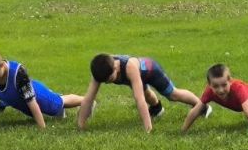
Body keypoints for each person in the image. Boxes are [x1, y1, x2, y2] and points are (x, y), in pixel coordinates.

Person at [77, 53, 209, 131]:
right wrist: (81, 126)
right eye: (104, 81)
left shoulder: (128, 67)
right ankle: (157, 109)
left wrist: (148, 129)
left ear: (115, 68)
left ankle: (202, 106)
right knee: (147, 94)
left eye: (110, 79)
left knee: (173, 95)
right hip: (135, 78)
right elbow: (88, 99)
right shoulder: (101, 70)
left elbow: (139, 99)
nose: (107, 83)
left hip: (151, 71)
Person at [0, 49, 83, 130]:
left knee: (58, 103)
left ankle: (85, 100)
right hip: (21, 102)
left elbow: (31, 102)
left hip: (37, 96)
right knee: (48, 108)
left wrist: (42, 128)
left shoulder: (18, 73)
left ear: (2, 65)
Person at [182, 64, 248, 137]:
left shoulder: (238, 89)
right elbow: (196, 110)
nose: (220, 90)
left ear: (230, 81)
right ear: (209, 85)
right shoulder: (209, 91)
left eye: (224, 85)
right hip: (241, 103)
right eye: (215, 86)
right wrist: (183, 130)